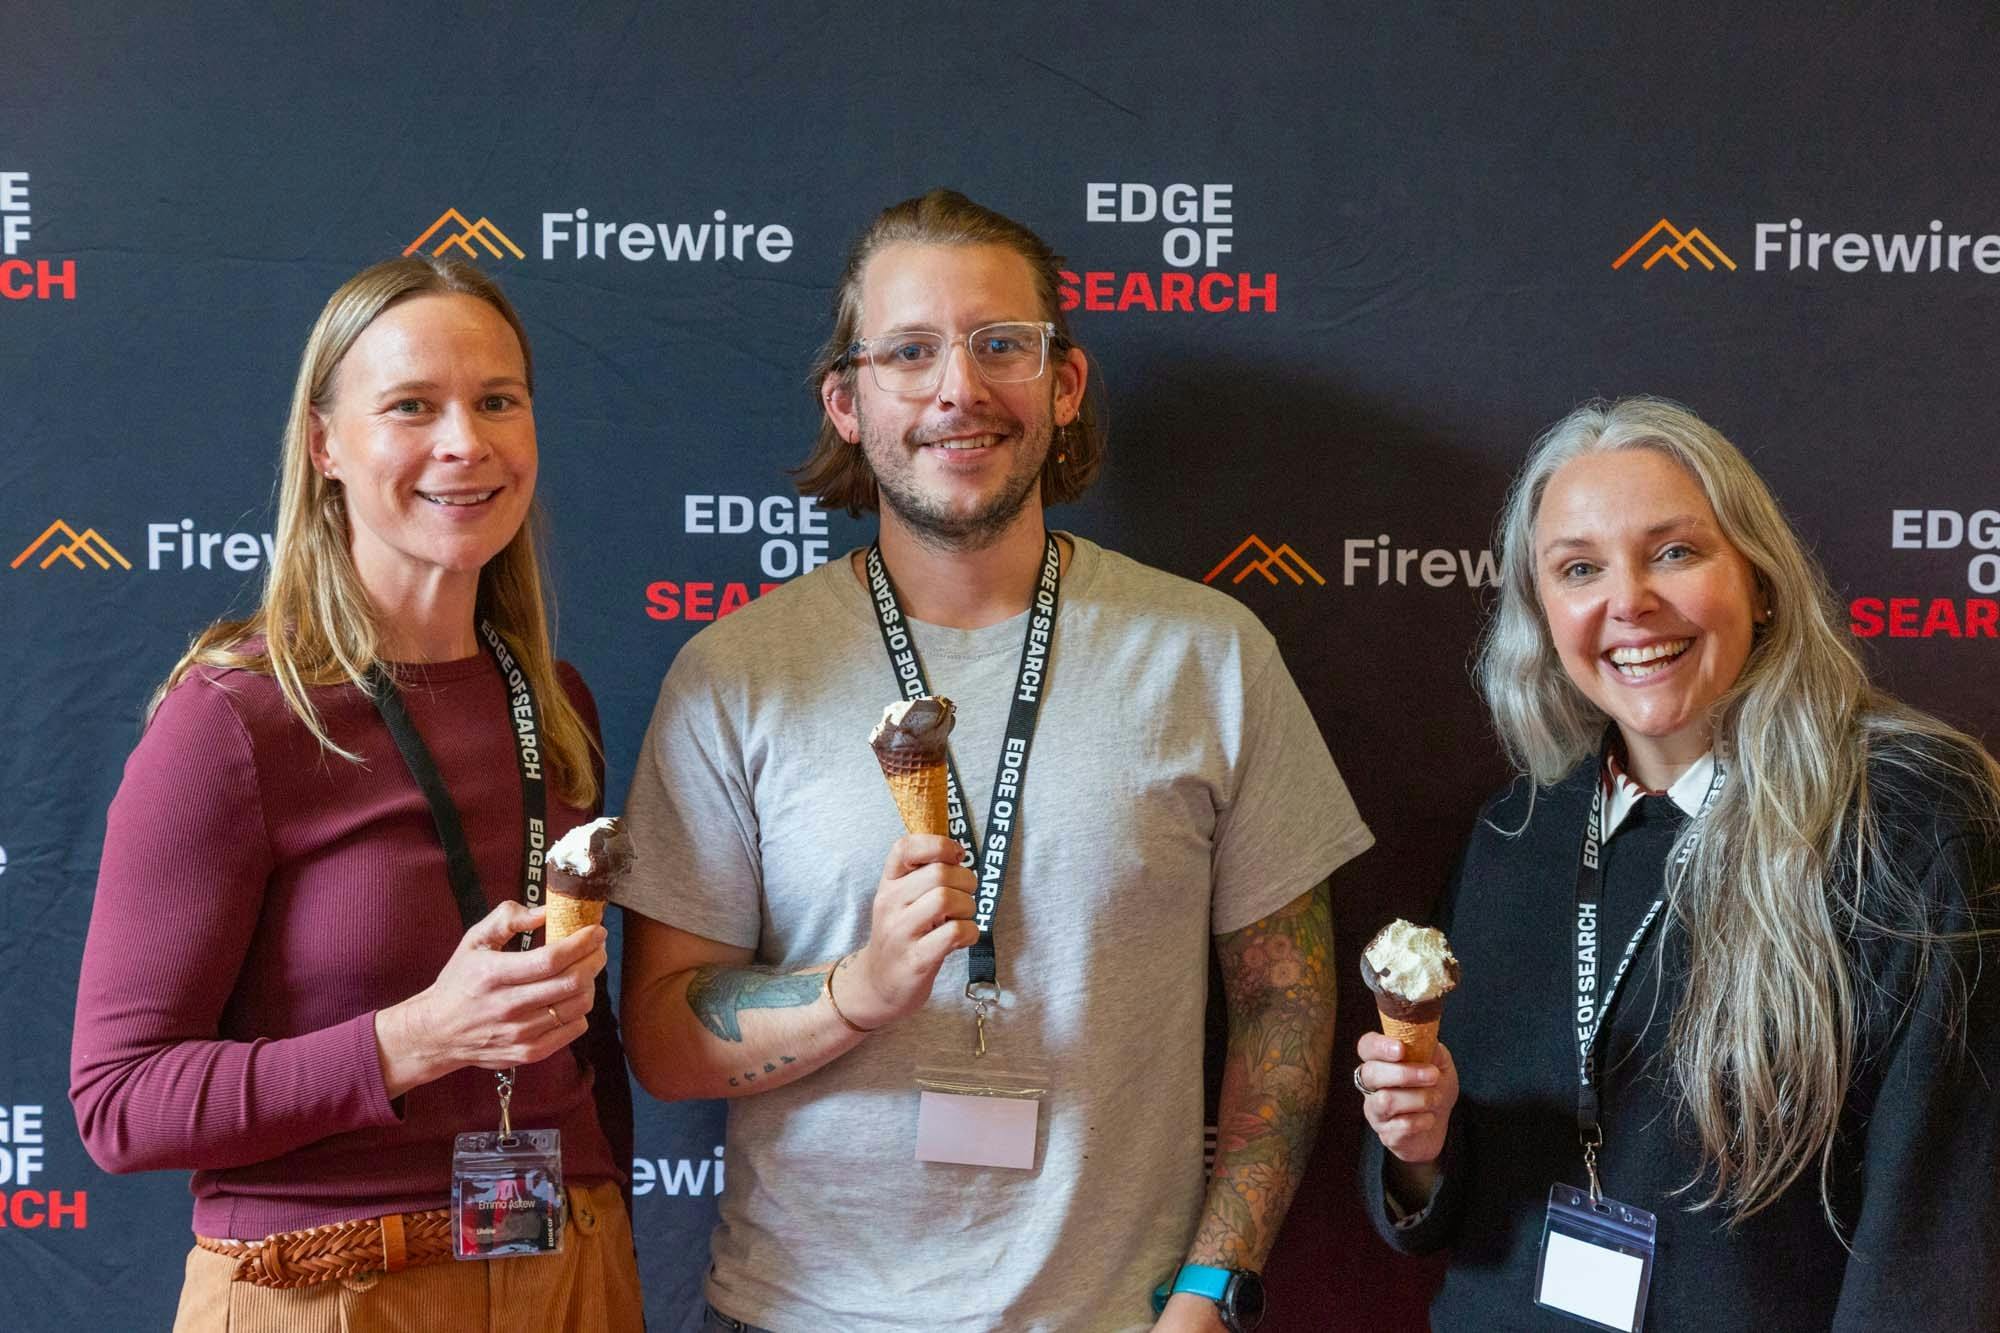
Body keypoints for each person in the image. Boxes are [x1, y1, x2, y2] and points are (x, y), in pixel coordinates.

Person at [613, 188, 1372, 1333]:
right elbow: (666, 1039)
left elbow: (1284, 1005)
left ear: (1061, 387)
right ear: (849, 402)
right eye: (909, 351)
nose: (957, 388)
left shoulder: (1207, 656)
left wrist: (1210, 1290)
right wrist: (853, 990)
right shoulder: (735, 674)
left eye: (999, 344)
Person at [69, 256, 644, 1331]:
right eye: (412, 407)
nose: (464, 442)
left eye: (497, 402)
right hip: (323, 1287)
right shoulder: (235, 716)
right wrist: (416, 1037)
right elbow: (118, 1103)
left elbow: (587, 1049)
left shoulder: (553, 702)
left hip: (568, 1266)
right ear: (326, 444)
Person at [1356, 396, 2000, 1331]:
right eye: (1580, 568)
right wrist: (1421, 1147)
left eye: (1674, 552)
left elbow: (1938, 1237)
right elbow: (1464, 1198)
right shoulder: (1517, 833)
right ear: (1543, 613)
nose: (1629, 602)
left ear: (1761, 577)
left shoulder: (1909, 820)